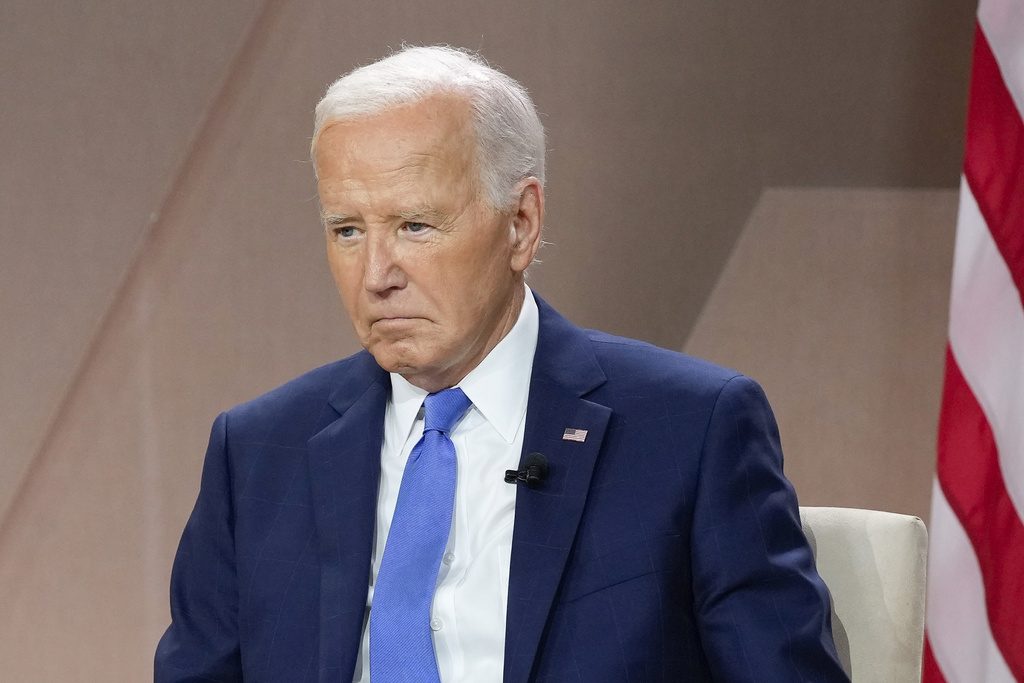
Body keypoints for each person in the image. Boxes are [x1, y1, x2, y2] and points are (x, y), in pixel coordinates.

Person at [155, 45, 849, 682]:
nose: (376, 275)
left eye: (414, 226)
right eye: (347, 231)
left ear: (521, 223)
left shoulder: (690, 430)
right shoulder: (255, 455)